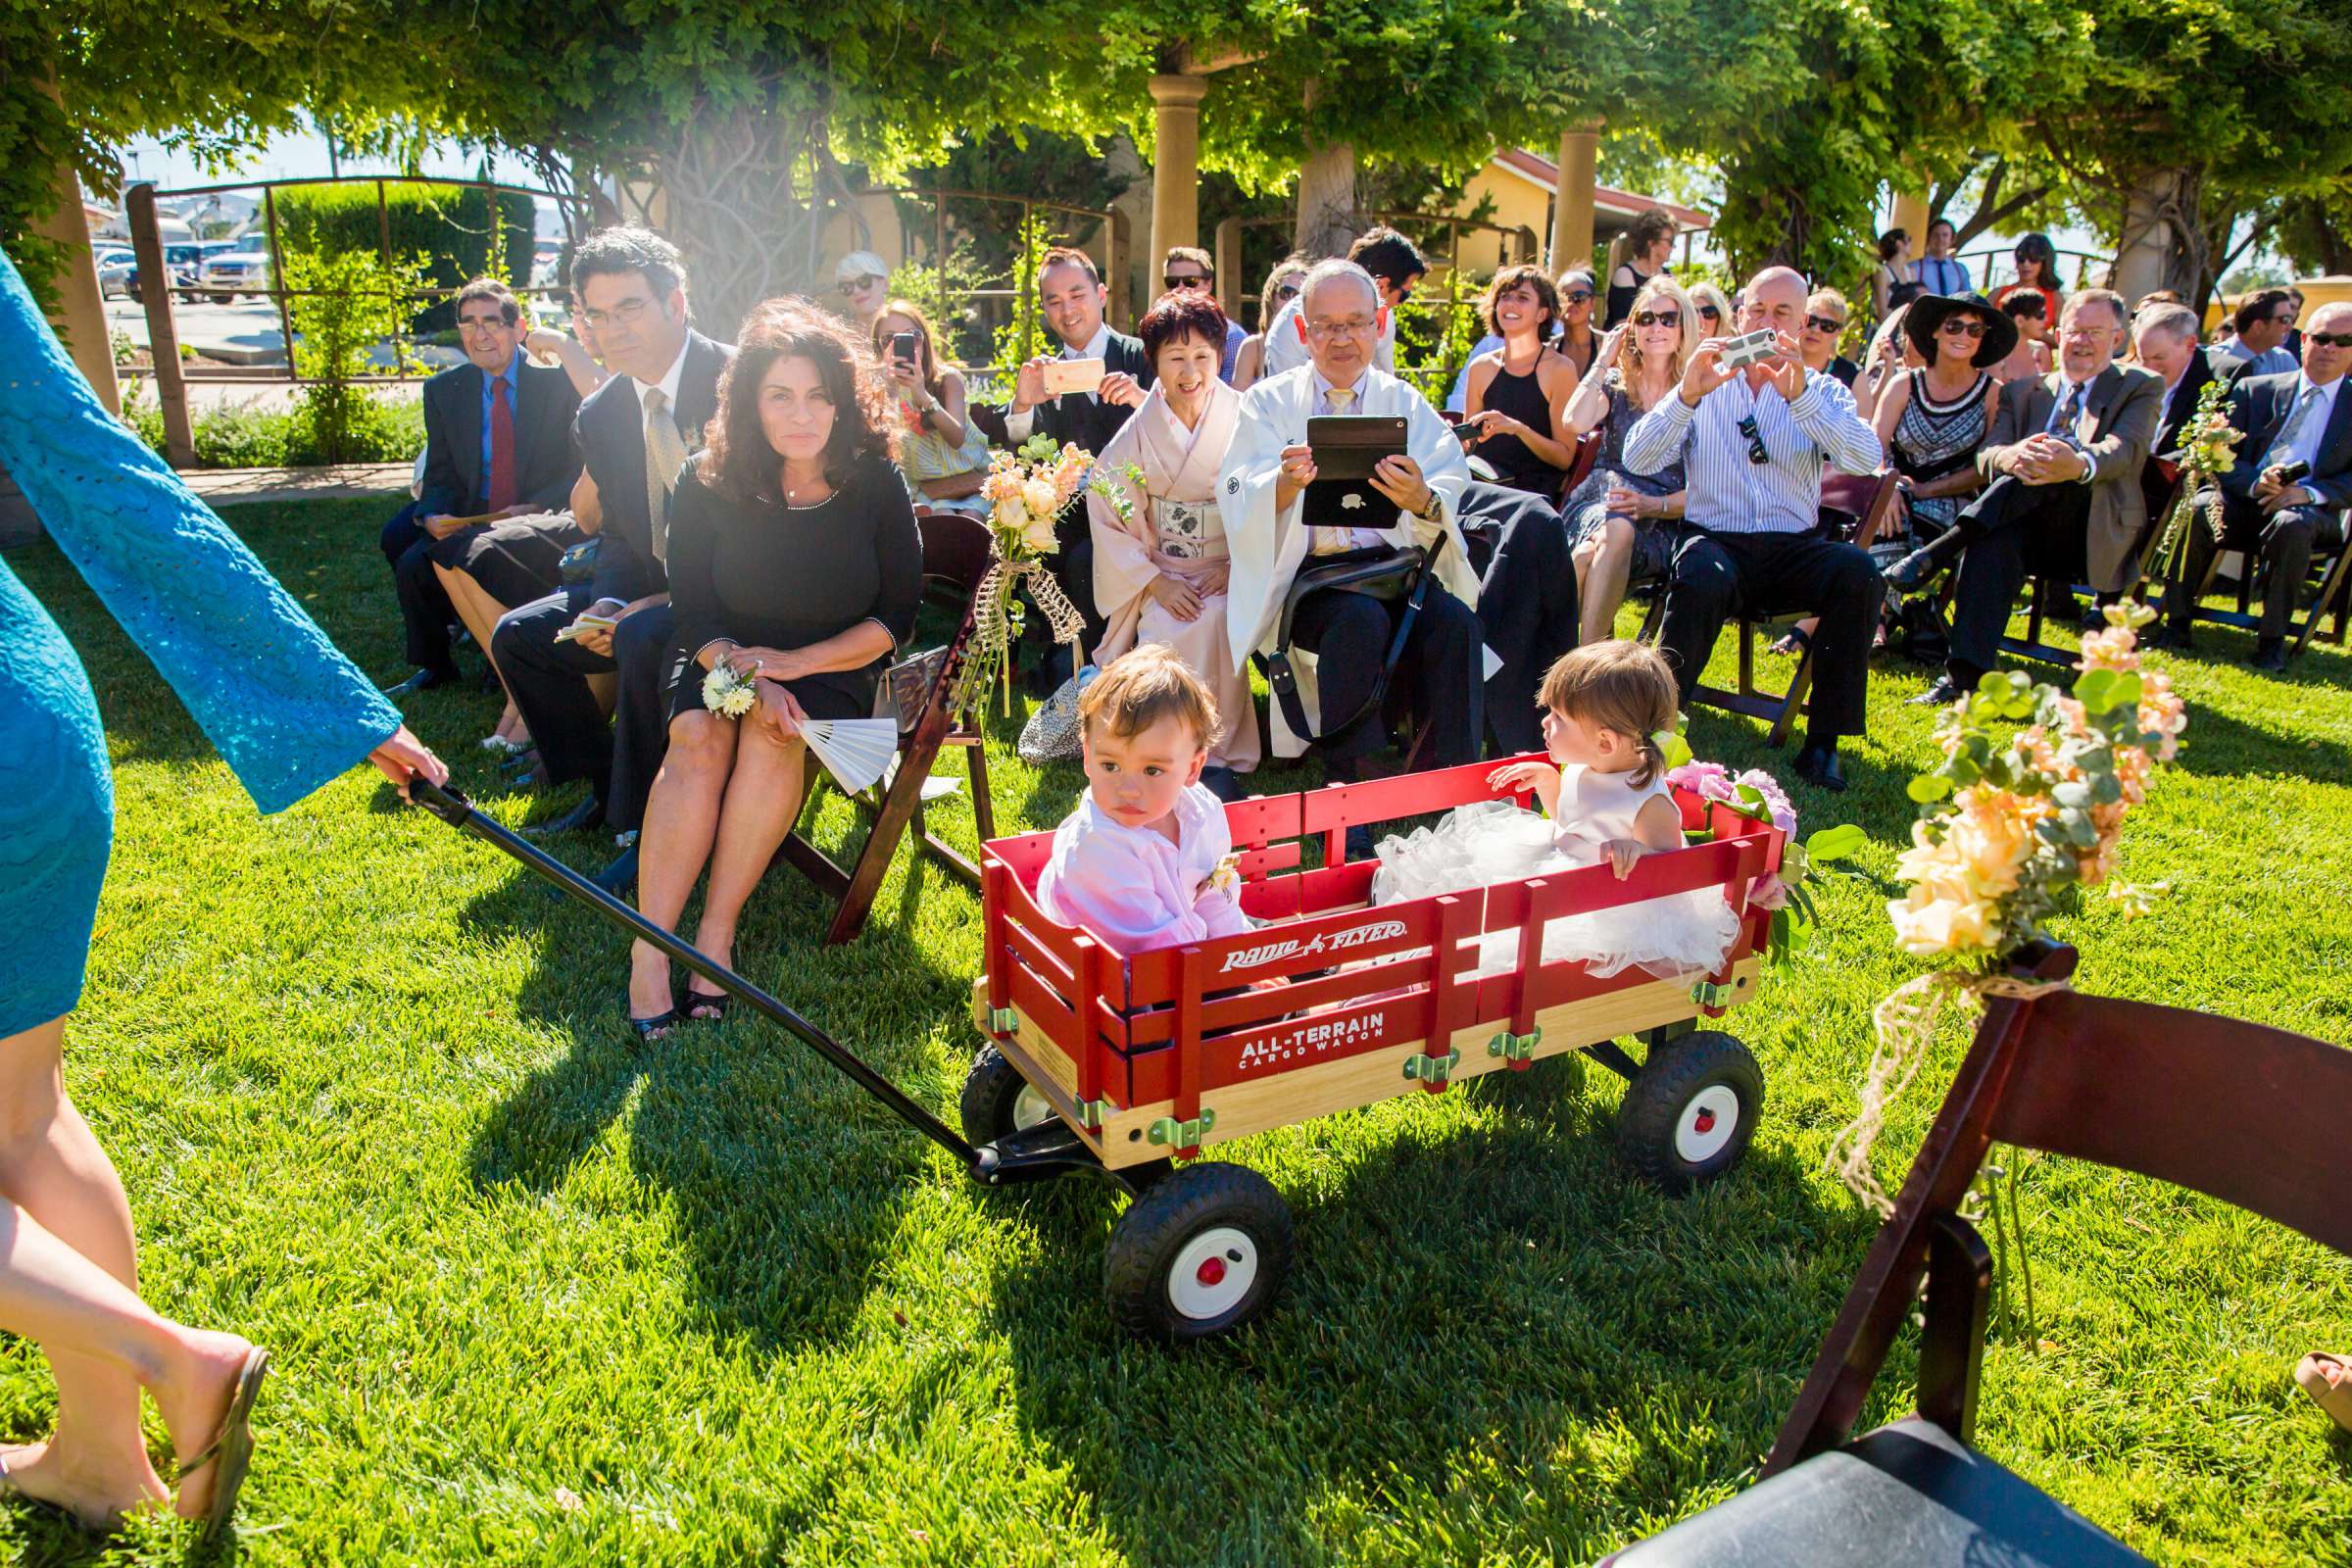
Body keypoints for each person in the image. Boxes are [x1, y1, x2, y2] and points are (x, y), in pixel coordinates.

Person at [0, 246, 446, 1536]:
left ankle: (172, 1359)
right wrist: (336, 700)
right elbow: (110, 472)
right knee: (24, 1115)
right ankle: (98, 1460)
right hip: (34, 717)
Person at [627, 300, 921, 1034]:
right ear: (749, 401)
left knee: (772, 736)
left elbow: (894, 620)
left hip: (832, 661)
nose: (802, 415)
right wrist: (751, 674)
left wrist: (792, 666)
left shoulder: (876, 482)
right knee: (699, 738)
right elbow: (691, 610)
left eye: (819, 394)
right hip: (720, 649)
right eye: (781, 395)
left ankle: (714, 935)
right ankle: (649, 950)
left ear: (843, 400)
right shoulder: (706, 479)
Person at [491, 227, 734, 872]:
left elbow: (767, 531)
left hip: (742, 591)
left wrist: (654, 603)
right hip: (649, 585)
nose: (612, 328)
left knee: (642, 634)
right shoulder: (600, 413)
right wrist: (606, 600)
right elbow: (623, 533)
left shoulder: (740, 383)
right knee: (520, 636)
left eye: (630, 308)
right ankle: (602, 787)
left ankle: (643, 821)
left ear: (676, 304)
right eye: (596, 314)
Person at [1221, 258, 1488, 781]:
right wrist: (1281, 485)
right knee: (1357, 623)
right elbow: (1233, 489)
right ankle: (1352, 791)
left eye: (1356, 323)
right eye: (1326, 326)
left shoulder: (1404, 402)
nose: (1342, 339)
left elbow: (1449, 486)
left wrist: (1421, 498)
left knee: (1458, 625)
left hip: (1392, 573)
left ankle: (1455, 780)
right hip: (1314, 581)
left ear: (1379, 324)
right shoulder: (1266, 404)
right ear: (1302, 331)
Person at [1622, 266, 1886, 791]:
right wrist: (1686, 398)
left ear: (1802, 322)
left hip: (1794, 548)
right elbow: (1639, 456)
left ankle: (1823, 741)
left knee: (1857, 571)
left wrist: (1800, 399)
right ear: (1740, 316)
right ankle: (1656, 725)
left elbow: (1866, 459)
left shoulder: (1824, 390)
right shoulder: (1705, 381)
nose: (1768, 322)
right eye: (1758, 310)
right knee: (1699, 572)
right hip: (1716, 540)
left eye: (1783, 313)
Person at [1372, 640, 1740, 979]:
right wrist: (1550, 784)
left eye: (1559, 718)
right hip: (1556, 863)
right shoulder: (1585, 766)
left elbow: (1674, 871)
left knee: (1508, 927)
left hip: (1602, 901)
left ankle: (1443, 966)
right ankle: (1411, 928)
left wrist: (1638, 851)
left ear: (1605, 742)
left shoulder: (1647, 801)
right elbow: (1572, 823)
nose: (1546, 722)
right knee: (1479, 880)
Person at [1891, 289, 2161, 704]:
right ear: (2058, 333)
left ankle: (1943, 549)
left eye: (2094, 332)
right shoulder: (2022, 391)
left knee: (2052, 457)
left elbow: (2126, 449)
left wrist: (2077, 463)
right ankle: (1964, 680)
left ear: (2118, 339)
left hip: (2092, 529)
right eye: (2074, 330)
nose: (2082, 340)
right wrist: (2013, 455)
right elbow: (1988, 455)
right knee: (1994, 536)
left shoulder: (2139, 386)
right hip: (2024, 527)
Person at [1088, 291, 1261, 790]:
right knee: (1167, 624)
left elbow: (1272, 497)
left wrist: (1236, 566)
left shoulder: (1245, 417)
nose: (1191, 372)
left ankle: (1222, 755)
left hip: (1228, 566)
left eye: (1203, 357)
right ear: (1154, 363)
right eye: (1176, 359)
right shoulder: (1138, 431)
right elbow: (1107, 504)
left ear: (1220, 357)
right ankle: (1163, 749)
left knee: (1221, 618)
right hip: (1164, 572)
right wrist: (1153, 581)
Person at [378, 279, 583, 698]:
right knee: (414, 563)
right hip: (473, 513)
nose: (480, 334)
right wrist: (432, 514)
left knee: (491, 562)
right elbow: (440, 470)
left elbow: (580, 468)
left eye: (492, 322)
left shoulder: (558, 384)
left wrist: (537, 505)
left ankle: (504, 659)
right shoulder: (444, 390)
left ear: (518, 327)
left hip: (540, 516)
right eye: (469, 323)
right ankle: (436, 665)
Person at [969, 245, 1153, 675]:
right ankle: (1062, 662)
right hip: (1067, 525)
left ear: (1101, 294)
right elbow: (1016, 448)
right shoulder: (1042, 372)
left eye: (1077, 294)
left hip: (1141, 516)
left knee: (1087, 558)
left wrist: (1142, 399)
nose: (1067, 309)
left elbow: (1179, 427)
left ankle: (1107, 662)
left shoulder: (1141, 357)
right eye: (1054, 301)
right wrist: (1023, 402)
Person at [2157, 301, 2352, 670]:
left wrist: (2308, 493)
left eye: (2344, 341)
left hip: (2312, 511)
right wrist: (2253, 482)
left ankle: (2271, 641)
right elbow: (2218, 453)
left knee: (2292, 525)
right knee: (2198, 507)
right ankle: (2176, 623)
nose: (2331, 348)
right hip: (2245, 499)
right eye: (2323, 338)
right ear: (2304, 340)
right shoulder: (2255, 389)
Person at [1034, 646, 1252, 956]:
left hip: (1183, 944)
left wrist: (1239, 951)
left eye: (1152, 770)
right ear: (1087, 758)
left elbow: (1216, 893)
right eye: (1110, 766)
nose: (1128, 789)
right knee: (1249, 993)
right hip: (1116, 972)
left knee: (1291, 953)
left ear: (1192, 769)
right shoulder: (1098, 846)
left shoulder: (1201, 812)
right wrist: (1234, 976)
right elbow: (1157, 947)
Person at [1562, 280, 1691, 647]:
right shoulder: (1617, 384)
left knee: (1585, 557)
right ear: (1632, 328)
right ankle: (1593, 673)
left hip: (1661, 518)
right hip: (1598, 502)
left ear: (1684, 327)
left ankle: (1580, 665)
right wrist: (1604, 360)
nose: (1656, 328)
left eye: (1669, 318)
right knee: (1612, 530)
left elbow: (1709, 488)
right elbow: (1574, 421)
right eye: (1646, 318)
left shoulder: (1695, 392)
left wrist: (1655, 505)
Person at [1460, 264, 1581, 496]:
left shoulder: (1560, 369)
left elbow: (1564, 458)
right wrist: (1453, 435)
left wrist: (1518, 429)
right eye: (1504, 297)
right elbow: (1468, 446)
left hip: (1531, 495)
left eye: (1522, 297)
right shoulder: (1481, 367)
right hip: (1481, 484)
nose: (1510, 304)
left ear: (1542, 313)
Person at [872, 298, 991, 515]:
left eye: (911, 337)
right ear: (879, 347)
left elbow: (957, 438)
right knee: (941, 520)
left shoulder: (946, 379)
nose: (899, 345)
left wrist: (922, 395)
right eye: (889, 339)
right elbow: (877, 441)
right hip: (927, 489)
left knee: (970, 522)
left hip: (970, 480)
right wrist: (885, 384)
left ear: (924, 340)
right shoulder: (880, 389)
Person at [1261, 226, 1428, 379]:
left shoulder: (1383, 315)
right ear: (1382, 285)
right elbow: (1288, 400)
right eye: (1404, 294)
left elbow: (1385, 388)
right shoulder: (1290, 322)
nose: (1401, 303)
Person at [2132, 301, 2228, 528]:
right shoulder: (2135, 377)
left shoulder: (2221, 377)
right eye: (2143, 357)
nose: (2149, 368)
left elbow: (2207, 448)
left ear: (2190, 344)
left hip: (2172, 491)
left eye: (2159, 358)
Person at [1159, 246, 1249, 381]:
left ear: (1208, 284)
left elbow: (1234, 398)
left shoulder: (1231, 337)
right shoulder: (1158, 334)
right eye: (1172, 282)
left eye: (1191, 281)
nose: (1180, 288)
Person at [1231, 254, 1308, 391]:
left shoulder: (1318, 345)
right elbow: (1238, 400)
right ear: (1271, 297)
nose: (1293, 301)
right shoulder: (1253, 346)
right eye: (1286, 293)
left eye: (1300, 295)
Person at [1605, 209, 1679, 329]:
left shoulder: (1668, 276)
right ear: (1651, 243)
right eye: (1669, 241)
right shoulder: (1625, 274)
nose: (1673, 247)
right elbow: (1624, 325)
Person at [2221, 287, 2299, 380]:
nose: (2290, 327)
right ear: (2258, 326)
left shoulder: (2285, 362)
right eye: (2285, 320)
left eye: (2291, 320)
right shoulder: (2213, 360)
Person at [1800, 289, 1862, 386]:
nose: (1816, 330)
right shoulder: (1777, 362)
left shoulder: (1853, 376)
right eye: (1811, 320)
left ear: (1839, 331)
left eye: (1827, 325)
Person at [1993, 291, 2053, 382]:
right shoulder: (1995, 355)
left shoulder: (2041, 351)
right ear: (2019, 320)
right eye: (2040, 315)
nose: (2046, 319)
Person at [832, 250, 891, 333]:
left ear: (885, 284)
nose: (856, 291)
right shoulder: (839, 338)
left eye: (864, 281)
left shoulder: (906, 328)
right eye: (847, 286)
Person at [1914, 218, 1971, 299]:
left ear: (1952, 239)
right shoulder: (1914, 267)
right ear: (1928, 237)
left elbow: (1968, 299)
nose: (1940, 239)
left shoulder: (1960, 270)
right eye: (1936, 235)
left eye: (1945, 235)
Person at [1873, 230, 1921, 321]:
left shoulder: (1911, 272)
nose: (1911, 244)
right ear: (1899, 243)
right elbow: (1882, 308)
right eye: (1909, 239)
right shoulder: (1883, 272)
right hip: (1890, 326)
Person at [1686, 279, 1734, 343]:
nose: (1700, 320)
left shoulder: (1736, 351)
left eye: (1708, 312)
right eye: (1693, 313)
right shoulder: (1673, 351)